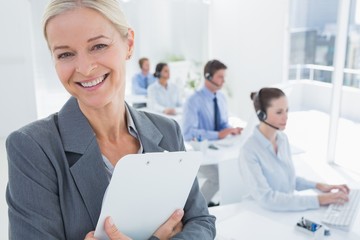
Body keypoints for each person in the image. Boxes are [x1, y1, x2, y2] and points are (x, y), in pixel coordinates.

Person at [5, 1, 216, 239]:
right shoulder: (32, 148)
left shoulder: (167, 130)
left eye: (98, 46)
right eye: (65, 54)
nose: (84, 68)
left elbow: (201, 221)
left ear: (129, 44)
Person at [239, 87, 350, 211]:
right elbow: (266, 198)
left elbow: (288, 180)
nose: (286, 117)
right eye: (279, 112)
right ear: (261, 115)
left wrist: (319, 185)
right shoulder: (249, 151)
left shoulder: (282, 139)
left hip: (284, 209)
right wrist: (320, 200)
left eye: (287, 110)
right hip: (261, 213)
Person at [182, 59, 242, 206]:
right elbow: (189, 133)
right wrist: (217, 135)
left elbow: (221, 124)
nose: (223, 81)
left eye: (224, 77)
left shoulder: (221, 97)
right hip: (201, 153)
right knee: (217, 177)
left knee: (234, 169)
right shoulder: (193, 100)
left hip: (218, 150)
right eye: (220, 77)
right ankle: (195, 210)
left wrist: (230, 130)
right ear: (208, 77)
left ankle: (217, 205)